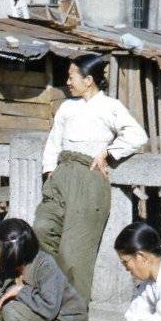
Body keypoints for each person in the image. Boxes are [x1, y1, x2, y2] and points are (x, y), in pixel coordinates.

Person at [33, 55, 148, 303]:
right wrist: (50, 171)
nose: (67, 82)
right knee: (41, 230)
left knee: (75, 255)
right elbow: (54, 141)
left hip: (89, 179)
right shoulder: (66, 107)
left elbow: (138, 135)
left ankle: (74, 318)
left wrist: (109, 153)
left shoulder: (110, 107)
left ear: (88, 80)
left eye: (72, 77)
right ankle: (49, 298)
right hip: (61, 175)